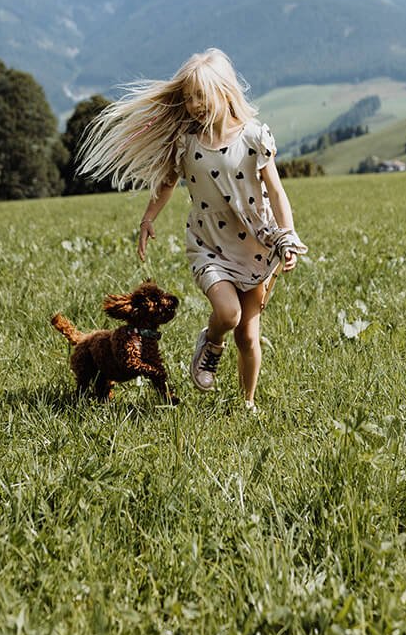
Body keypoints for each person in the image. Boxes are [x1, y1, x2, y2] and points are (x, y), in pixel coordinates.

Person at [79, 48, 307, 410]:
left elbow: (276, 191)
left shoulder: (253, 137)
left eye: (201, 96)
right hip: (209, 244)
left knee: (249, 335)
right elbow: (168, 183)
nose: (194, 104)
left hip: (258, 244)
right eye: (188, 98)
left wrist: (288, 236)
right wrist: (148, 218)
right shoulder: (187, 143)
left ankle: (247, 403)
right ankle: (212, 342)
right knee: (229, 315)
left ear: (224, 91)